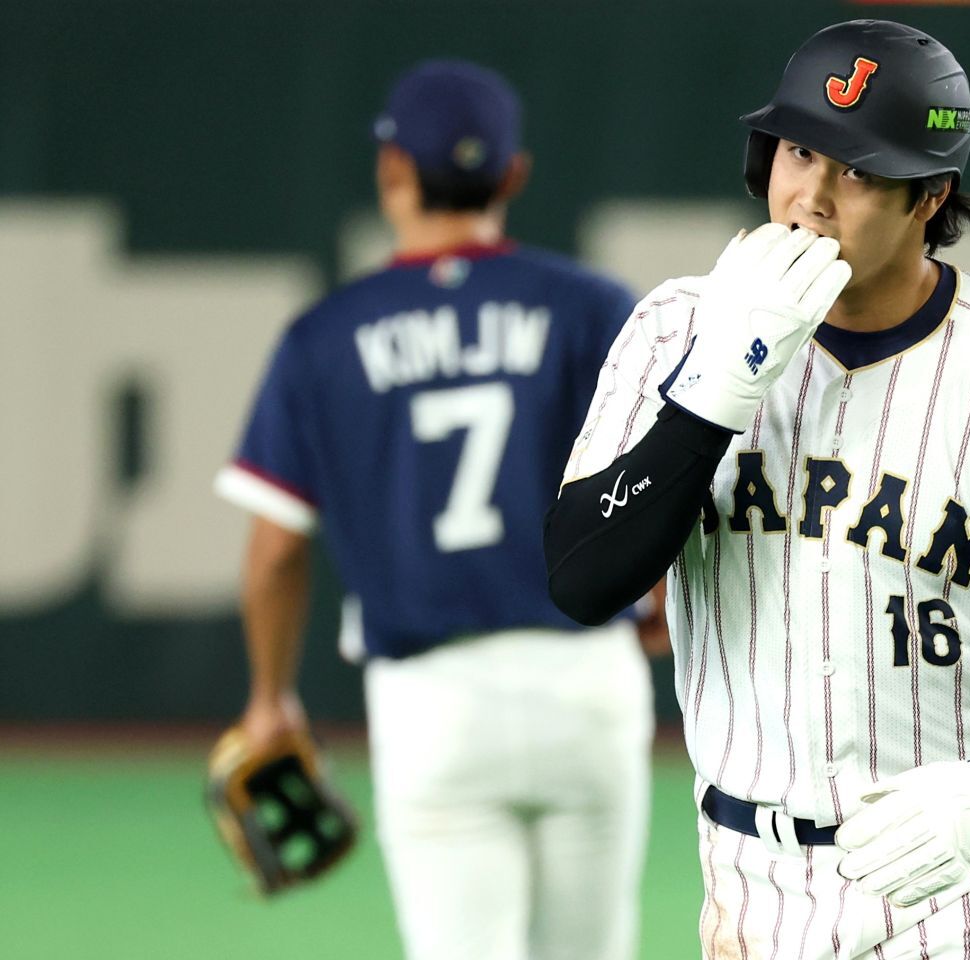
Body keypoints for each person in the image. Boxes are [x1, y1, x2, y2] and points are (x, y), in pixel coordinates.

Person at [544, 19, 970, 959]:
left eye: (859, 170)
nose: (813, 197)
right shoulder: (676, 331)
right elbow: (583, 578)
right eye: (800, 151)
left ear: (931, 195)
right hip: (750, 880)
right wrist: (713, 392)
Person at [214, 60, 660, 960]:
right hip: (588, 687)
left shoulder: (324, 337)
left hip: (432, 705)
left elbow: (275, 552)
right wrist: (659, 602)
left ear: (391, 169)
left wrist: (270, 700)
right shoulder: (592, 309)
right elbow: (669, 483)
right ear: (513, 174)